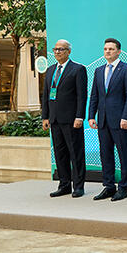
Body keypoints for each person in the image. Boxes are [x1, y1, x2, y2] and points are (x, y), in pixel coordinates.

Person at [88, 38, 127, 202]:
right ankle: (109, 186)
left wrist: (126, 117)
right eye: (105, 49)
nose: (107, 51)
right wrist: (91, 116)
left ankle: (124, 188)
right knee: (105, 154)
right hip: (102, 120)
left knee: (124, 154)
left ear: (118, 51)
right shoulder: (98, 70)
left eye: (111, 49)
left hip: (120, 120)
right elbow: (94, 95)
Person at [41, 39, 88, 198]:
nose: (57, 52)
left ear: (69, 51)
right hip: (54, 119)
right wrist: (45, 116)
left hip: (71, 120)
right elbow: (46, 95)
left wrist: (79, 116)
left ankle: (78, 186)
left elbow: (82, 96)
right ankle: (64, 185)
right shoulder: (50, 70)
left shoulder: (78, 69)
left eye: (61, 49)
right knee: (60, 154)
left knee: (76, 153)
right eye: (55, 49)